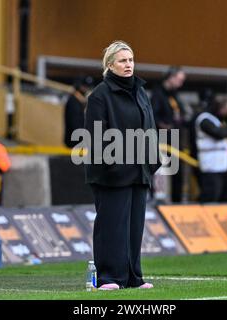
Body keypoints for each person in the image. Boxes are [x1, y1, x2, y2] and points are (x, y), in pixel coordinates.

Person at [84, 41, 160, 290]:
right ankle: (108, 277)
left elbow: (149, 127)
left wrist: (151, 163)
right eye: (122, 61)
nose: (128, 65)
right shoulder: (99, 95)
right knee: (111, 225)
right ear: (110, 65)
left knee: (134, 228)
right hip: (112, 172)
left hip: (139, 171)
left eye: (131, 60)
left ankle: (132, 278)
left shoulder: (140, 92)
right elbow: (96, 136)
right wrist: (112, 165)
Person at [194, 96, 227, 203]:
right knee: (211, 195)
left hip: (223, 166)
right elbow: (220, 134)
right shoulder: (204, 119)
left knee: (226, 195)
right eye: (226, 109)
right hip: (211, 166)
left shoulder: (220, 121)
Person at [151, 66, 186, 203]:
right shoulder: (158, 94)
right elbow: (154, 116)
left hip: (175, 138)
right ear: (170, 77)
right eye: (179, 79)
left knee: (178, 172)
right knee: (162, 171)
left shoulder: (175, 95)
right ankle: (159, 201)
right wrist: (164, 125)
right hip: (163, 139)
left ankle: (177, 202)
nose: (180, 83)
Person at [64, 76, 94, 148]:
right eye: (84, 87)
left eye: (88, 87)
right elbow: (75, 124)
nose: (86, 89)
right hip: (74, 143)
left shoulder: (81, 101)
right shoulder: (74, 101)